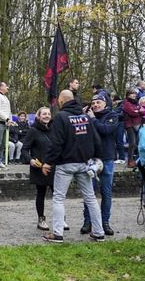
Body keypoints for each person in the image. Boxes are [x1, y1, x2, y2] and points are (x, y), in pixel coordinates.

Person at [43, 90, 105, 243]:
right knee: (90, 198)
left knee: (58, 198)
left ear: (62, 101)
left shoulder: (61, 118)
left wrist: (48, 162)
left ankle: (58, 233)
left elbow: (56, 143)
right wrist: (97, 159)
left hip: (66, 164)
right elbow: (96, 140)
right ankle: (98, 232)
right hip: (85, 163)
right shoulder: (86, 117)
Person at [83, 94, 119, 236]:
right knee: (89, 193)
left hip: (107, 158)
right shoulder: (87, 116)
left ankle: (105, 222)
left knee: (106, 192)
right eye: (93, 103)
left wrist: (92, 119)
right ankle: (88, 222)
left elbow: (106, 130)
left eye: (98, 102)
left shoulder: (112, 116)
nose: (95, 105)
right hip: (91, 159)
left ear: (105, 103)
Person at [23, 106, 54, 231]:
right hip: (39, 167)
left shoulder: (54, 129)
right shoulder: (33, 131)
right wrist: (30, 160)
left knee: (58, 194)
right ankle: (41, 219)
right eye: (44, 114)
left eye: (48, 114)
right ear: (38, 116)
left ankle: (60, 219)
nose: (46, 116)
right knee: (41, 193)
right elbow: (24, 149)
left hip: (53, 167)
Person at [121, 90, 143, 166]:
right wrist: (138, 111)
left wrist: (138, 111)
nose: (134, 95)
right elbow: (132, 112)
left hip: (138, 124)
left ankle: (137, 160)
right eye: (132, 94)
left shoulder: (136, 102)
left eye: (134, 94)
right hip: (130, 125)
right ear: (128, 95)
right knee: (132, 143)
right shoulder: (126, 103)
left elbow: (143, 111)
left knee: (138, 143)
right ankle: (130, 161)